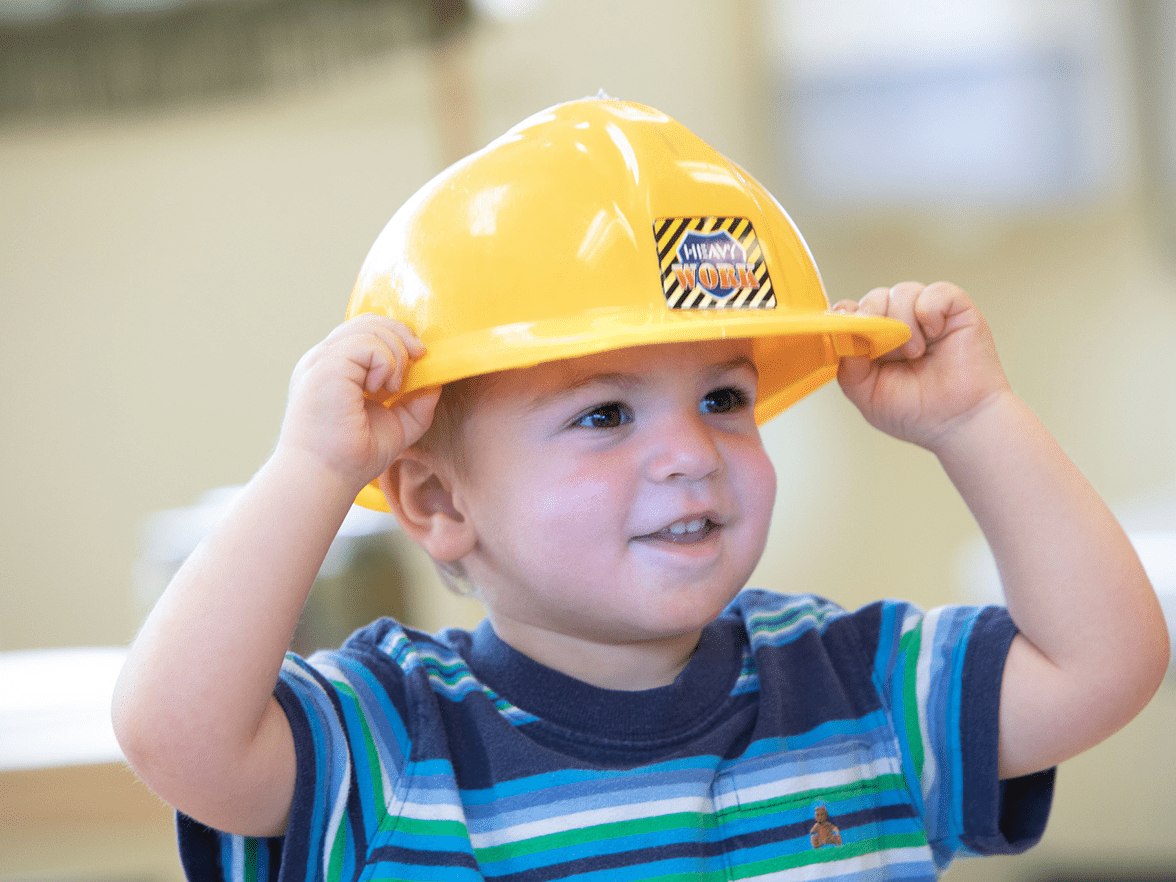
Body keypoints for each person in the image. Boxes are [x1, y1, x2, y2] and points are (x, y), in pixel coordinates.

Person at [111, 97, 1169, 882]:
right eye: (606, 415)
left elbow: (1106, 664)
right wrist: (313, 471)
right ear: (436, 504)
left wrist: (975, 422)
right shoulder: (394, 747)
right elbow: (175, 738)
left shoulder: (858, 695)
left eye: (722, 399)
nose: (690, 454)